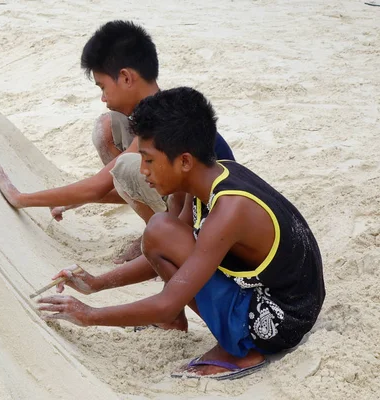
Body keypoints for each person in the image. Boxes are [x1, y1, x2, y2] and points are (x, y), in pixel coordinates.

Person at [37, 87, 325, 380]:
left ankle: (242, 350)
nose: (144, 171)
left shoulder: (229, 211)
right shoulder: (208, 178)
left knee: (160, 230)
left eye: (148, 160)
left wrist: (89, 315)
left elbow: (166, 304)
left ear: (184, 161)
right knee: (161, 230)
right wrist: (97, 284)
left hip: (280, 320)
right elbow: (167, 250)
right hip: (278, 292)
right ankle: (214, 330)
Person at [0, 21, 234, 264]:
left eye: (103, 86)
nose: (103, 97)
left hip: (207, 217)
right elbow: (110, 185)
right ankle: (156, 227)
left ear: (126, 77)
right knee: (108, 127)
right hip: (186, 194)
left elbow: (102, 184)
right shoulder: (163, 106)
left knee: (127, 167)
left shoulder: (163, 127)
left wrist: (21, 198)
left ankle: (161, 239)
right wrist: (69, 201)